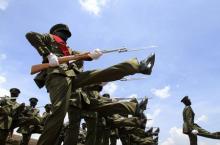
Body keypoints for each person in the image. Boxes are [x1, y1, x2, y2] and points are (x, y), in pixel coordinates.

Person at [26, 23, 155, 145]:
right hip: (57, 76)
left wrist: (93, 54)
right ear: (55, 32)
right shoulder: (48, 38)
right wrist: (48, 54)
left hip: (73, 77)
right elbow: (31, 35)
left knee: (99, 73)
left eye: (67, 34)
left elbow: (82, 55)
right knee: (58, 114)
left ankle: (138, 66)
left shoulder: (68, 49)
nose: (65, 35)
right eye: (63, 32)